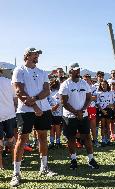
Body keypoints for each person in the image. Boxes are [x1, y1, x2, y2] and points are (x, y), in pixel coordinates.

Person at [10, 47, 57, 187]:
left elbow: (47, 91)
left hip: (44, 110)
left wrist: (35, 99)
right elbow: (19, 91)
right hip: (25, 111)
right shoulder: (19, 70)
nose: (37, 56)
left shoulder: (42, 72)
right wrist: (35, 106)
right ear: (27, 55)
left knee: (43, 137)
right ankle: (16, 173)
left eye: (38, 54)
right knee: (22, 139)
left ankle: (44, 167)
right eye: (35, 54)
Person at [59, 63, 99, 170]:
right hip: (69, 116)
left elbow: (89, 98)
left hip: (83, 115)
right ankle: (73, 160)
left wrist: (82, 110)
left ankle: (91, 159)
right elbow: (64, 102)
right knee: (71, 138)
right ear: (70, 71)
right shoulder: (65, 84)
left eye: (78, 70)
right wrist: (76, 112)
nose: (78, 72)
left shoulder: (84, 83)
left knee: (86, 137)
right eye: (75, 70)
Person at [0, 68, 17, 169]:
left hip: (8, 114)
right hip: (10, 114)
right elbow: (15, 99)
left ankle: (1, 165)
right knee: (11, 139)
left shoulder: (9, 82)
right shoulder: (8, 82)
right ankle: (14, 161)